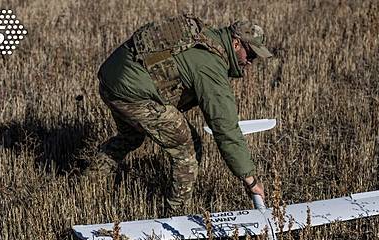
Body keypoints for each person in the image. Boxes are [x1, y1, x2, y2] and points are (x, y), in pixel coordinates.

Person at [91, 15, 272, 215]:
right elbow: (225, 128)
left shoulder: (205, 36)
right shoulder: (211, 67)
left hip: (111, 81)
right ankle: (174, 215)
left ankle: (88, 181)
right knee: (189, 148)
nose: (250, 62)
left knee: (130, 136)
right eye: (251, 55)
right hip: (132, 94)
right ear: (236, 43)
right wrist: (250, 179)